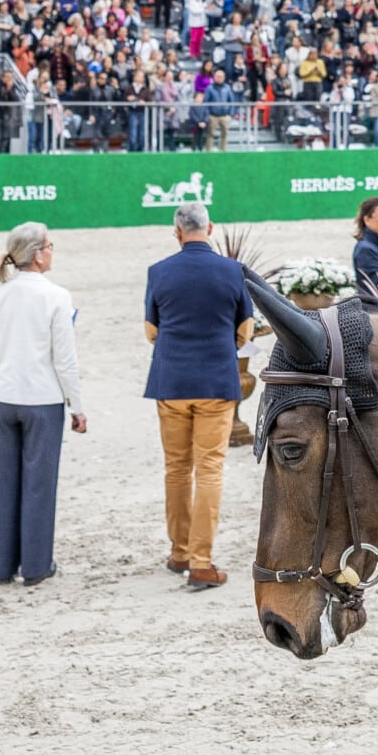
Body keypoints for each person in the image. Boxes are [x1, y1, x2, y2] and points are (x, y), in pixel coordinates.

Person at [142, 202, 255, 591]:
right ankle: (202, 561)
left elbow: (151, 332)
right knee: (209, 470)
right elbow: (246, 331)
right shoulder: (232, 271)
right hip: (215, 383)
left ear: (176, 232)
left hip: (171, 381)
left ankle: (179, 551)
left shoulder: (158, 272)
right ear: (211, 228)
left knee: (176, 468)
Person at [0, 222, 86, 587]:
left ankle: (3, 565)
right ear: (38, 255)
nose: (52, 251)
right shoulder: (56, 297)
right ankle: (35, 566)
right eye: (50, 246)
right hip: (42, 401)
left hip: (0, 399)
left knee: (1, 484)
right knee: (38, 485)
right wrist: (77, 407)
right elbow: (65, 362)